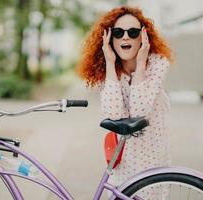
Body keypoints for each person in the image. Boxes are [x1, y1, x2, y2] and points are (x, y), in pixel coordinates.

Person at [77, 6, 172, 199]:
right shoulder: (108, 69)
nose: (125, 38)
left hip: (152, 153)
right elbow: (113, 115)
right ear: (110, 38)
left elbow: (140, 110)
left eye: (133, 32)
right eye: (118, 33)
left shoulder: (158, 63)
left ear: (143, 36)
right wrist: (111, 64)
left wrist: (141, 63)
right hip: (123, 156)